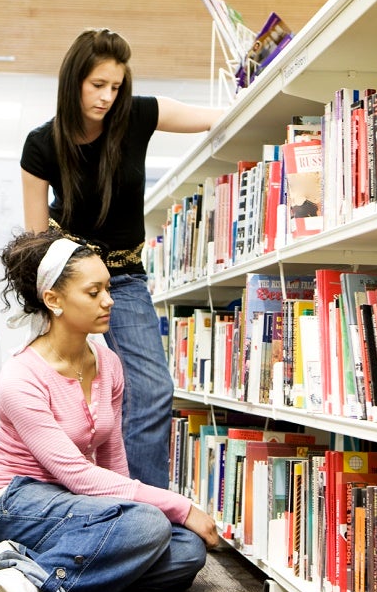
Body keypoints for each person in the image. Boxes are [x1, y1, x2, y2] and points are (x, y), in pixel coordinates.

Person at [0, 230, 218, 592]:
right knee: (149, 525)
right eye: (93, 292)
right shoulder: (21, 376)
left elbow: (112, 457)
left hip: (75, 506)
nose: (108, 301)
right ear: (54, 300)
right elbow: (75, 474)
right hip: (13, 505)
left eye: (108, 289)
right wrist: (178, 507)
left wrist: (135, 510)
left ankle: (16, 574)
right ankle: (35, 574)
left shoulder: (107, 361)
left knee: (185, 552)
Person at [20, 28, 225, 489]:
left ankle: (145, 508)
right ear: (73, 81)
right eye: (97, 85)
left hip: (126, 281)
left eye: (115, 86)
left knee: (151, 391)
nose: (107, 97)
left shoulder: (136, 115)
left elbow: (217, 118)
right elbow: (35, 240)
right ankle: (69, 495)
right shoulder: (41, 144)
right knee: (67, 395)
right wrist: (49, 303)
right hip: (69, 284)